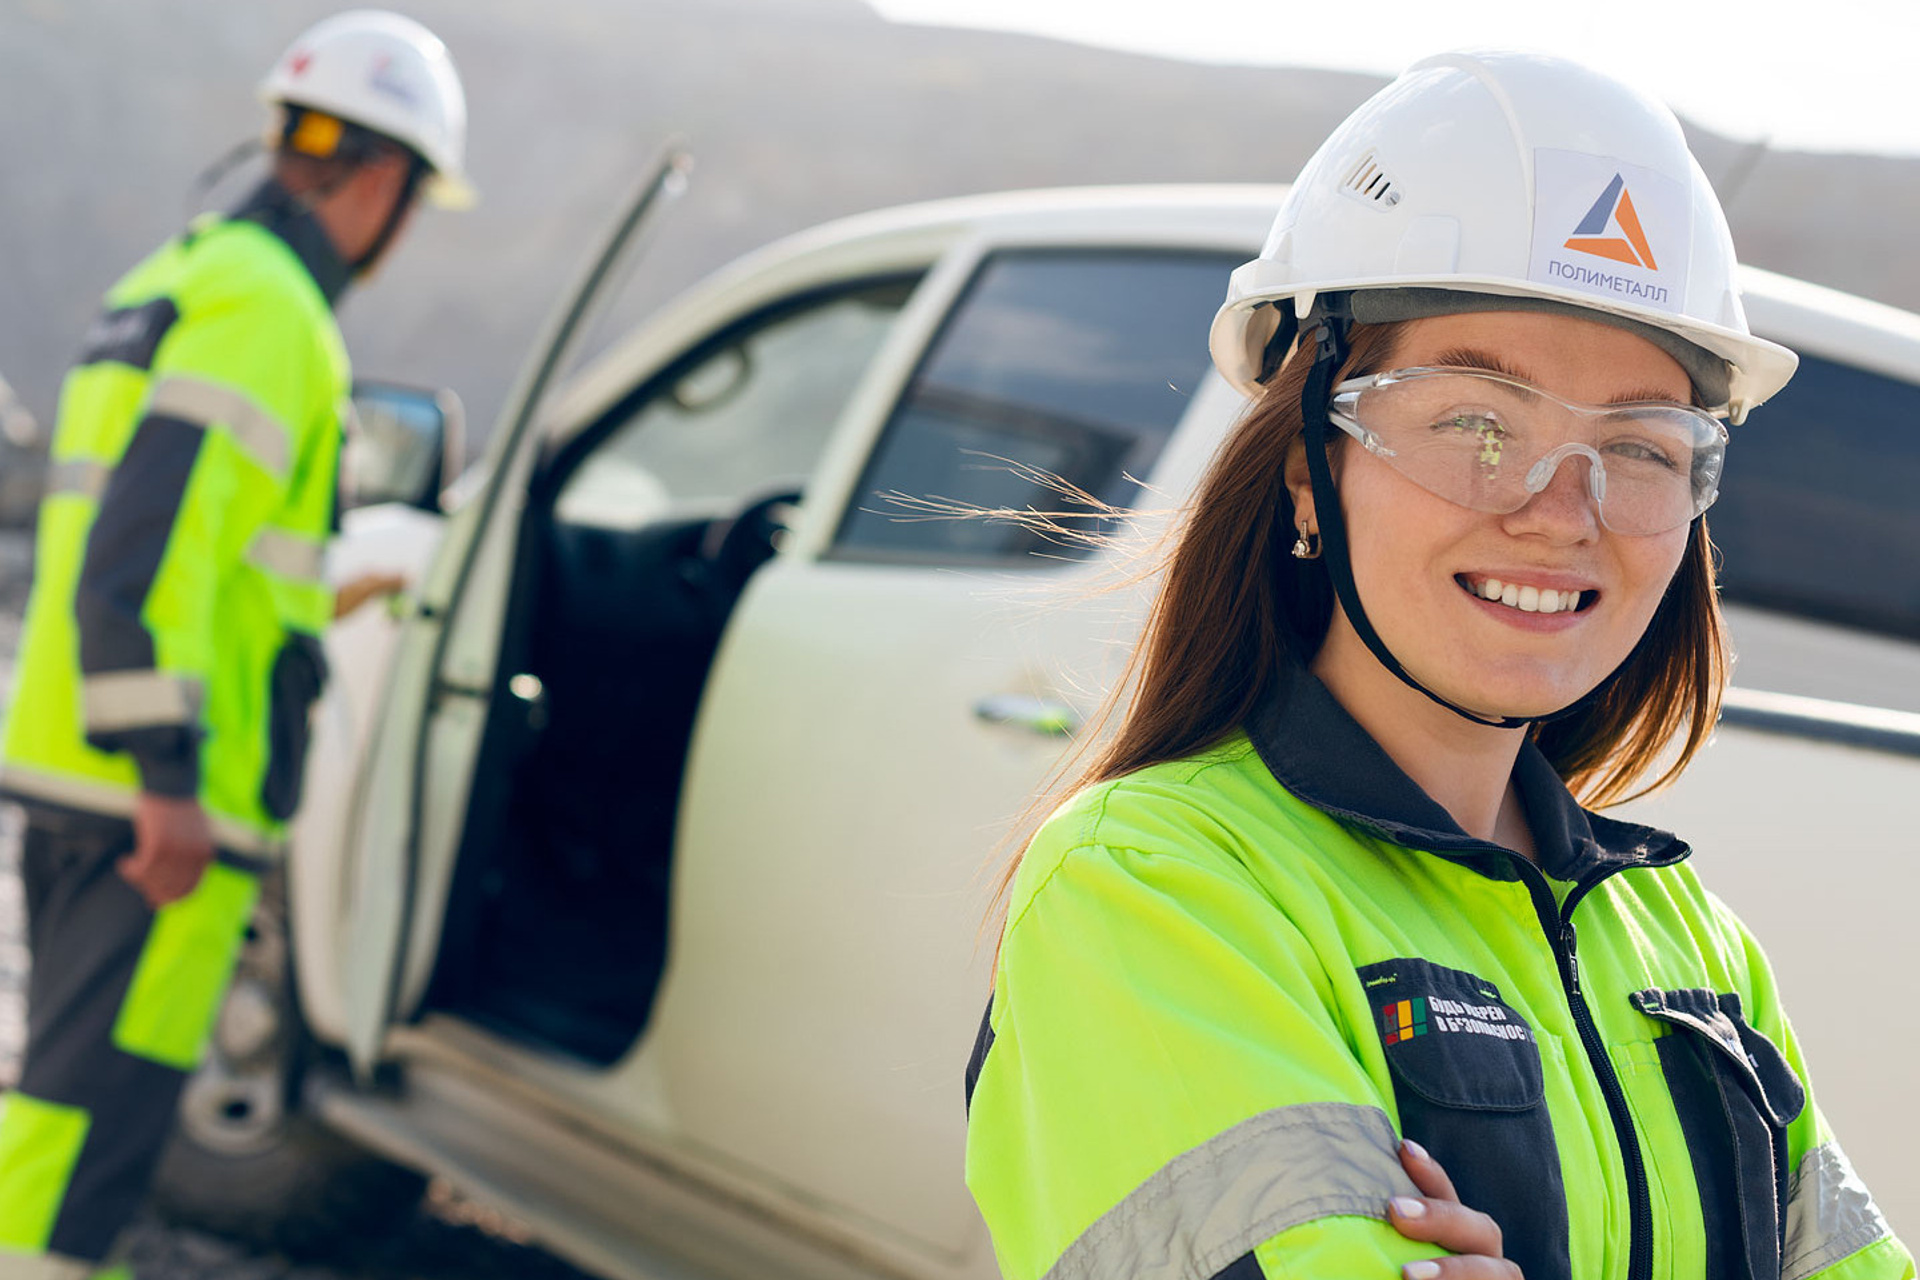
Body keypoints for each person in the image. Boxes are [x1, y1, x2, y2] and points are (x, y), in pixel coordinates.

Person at [963, 49, 1914, 1280]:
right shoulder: (1153, 888)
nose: (1562, 509)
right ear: (1310, 465)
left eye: (1639, 445)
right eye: (1476, 422)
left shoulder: (1691, 941)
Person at [0, 12, 473, 1276]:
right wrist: (166, 775)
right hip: (151, 809)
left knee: (58, 1103)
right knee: (88, 1134)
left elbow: (185, 547)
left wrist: (329, 598)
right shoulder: (275, 318)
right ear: (381, 179)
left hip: (72, 766)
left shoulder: (177, 276)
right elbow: (146, 553)